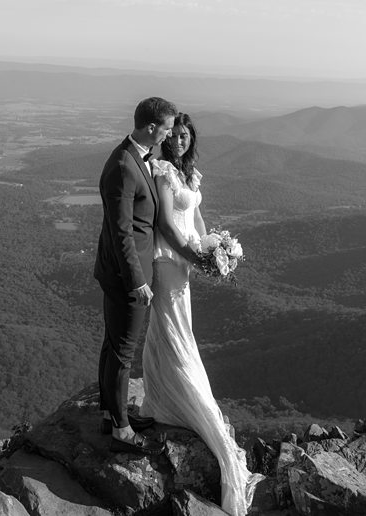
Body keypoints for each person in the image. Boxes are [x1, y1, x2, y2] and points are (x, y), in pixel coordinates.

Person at [140, 113, 264, 516]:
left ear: (192, 139)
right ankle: (175, 399)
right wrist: (195, 255)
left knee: (179, 331)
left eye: (184, 135)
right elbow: (165, 224)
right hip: (167, 262)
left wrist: (213, 251)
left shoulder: (191, 175)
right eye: (173, 134)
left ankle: (162, 394)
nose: (178, 139)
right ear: (165, 138)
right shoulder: (160, 170)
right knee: (171, 331)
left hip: (186, 266)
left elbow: (195, 220)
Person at [94, 96, 200, 454]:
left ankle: (112, 413)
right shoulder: (125, 164)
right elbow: (121, 231)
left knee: (113, 345)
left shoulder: (138, 158)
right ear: (152, 127)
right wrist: (137, 281)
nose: (170, 135)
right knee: (123, 351)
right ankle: (121, 430)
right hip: (128, 274)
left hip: (124, 270)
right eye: (168, 128)